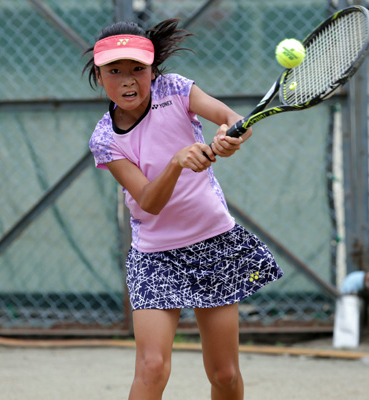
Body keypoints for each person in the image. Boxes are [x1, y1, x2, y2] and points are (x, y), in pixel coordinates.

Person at [84, 18, 283, 400]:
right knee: (152, 367)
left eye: (137, 70)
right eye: (115, 71)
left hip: (214, 243)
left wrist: (228, 136)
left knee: (224, 374)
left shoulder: (175, 89)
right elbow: (149, 202)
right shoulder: (105, 139)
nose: (128, 81)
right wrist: (177, 162)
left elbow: (232, 119)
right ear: (99, 74)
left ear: (153, 69)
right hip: (155, 256)